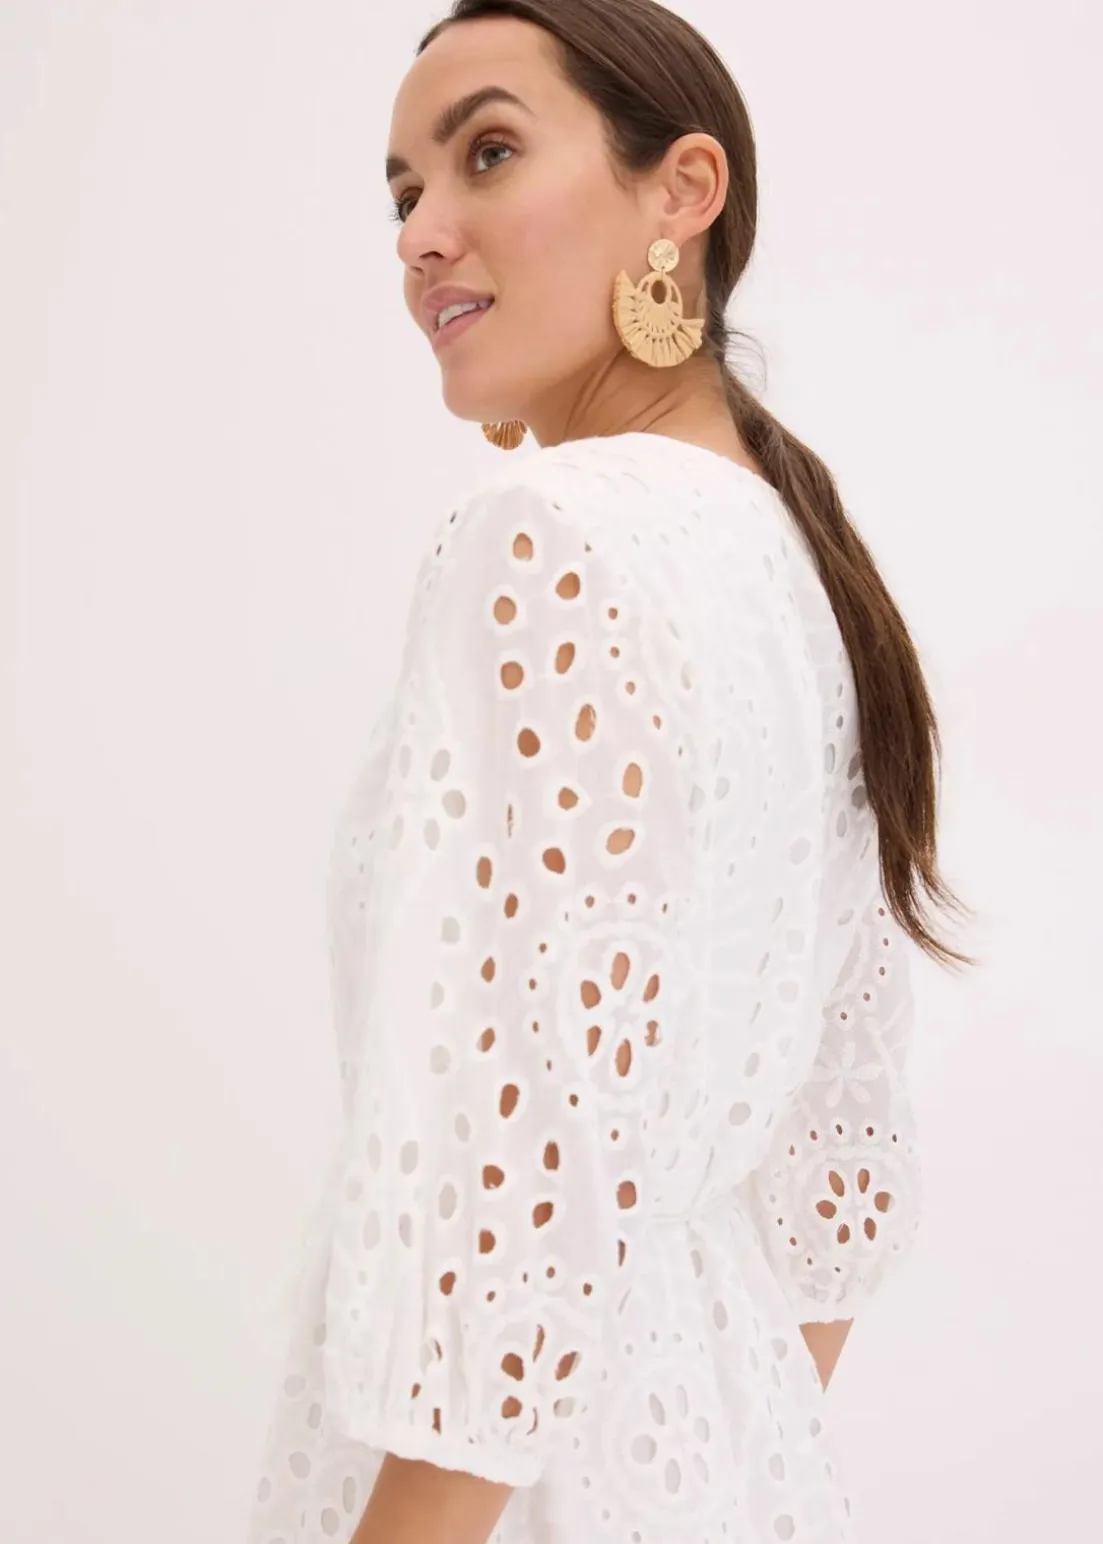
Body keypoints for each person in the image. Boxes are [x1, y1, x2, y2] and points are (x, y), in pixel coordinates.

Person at [244, 3, 977, 1541]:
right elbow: (829, 1178)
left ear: (681, 189)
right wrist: (709, 1453)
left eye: (486, 154)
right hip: (717, 1459)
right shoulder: (797, 567)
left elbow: (513, 1196)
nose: (419, 236)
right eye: (401, 193)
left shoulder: (546, 541)